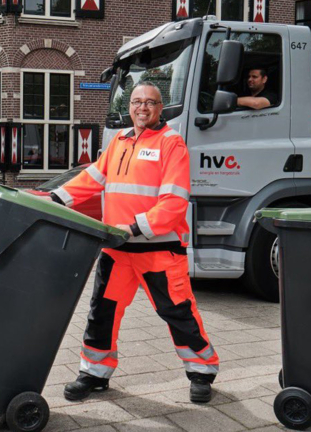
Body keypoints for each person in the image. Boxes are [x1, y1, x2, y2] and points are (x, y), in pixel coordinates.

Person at [50, 82, 220, 404]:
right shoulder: (119, 141)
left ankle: (201, 371)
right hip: (117, 250)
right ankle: (94, 373)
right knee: (103, 311)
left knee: (177, 312)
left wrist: (133, 228)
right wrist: (57, 197)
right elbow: (93, 178)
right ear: (129, 106)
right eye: (137, 102)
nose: (142, 108)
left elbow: (173, 203)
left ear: (161, 108)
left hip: (158, 250)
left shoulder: (173, 144)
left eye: (150, 103)